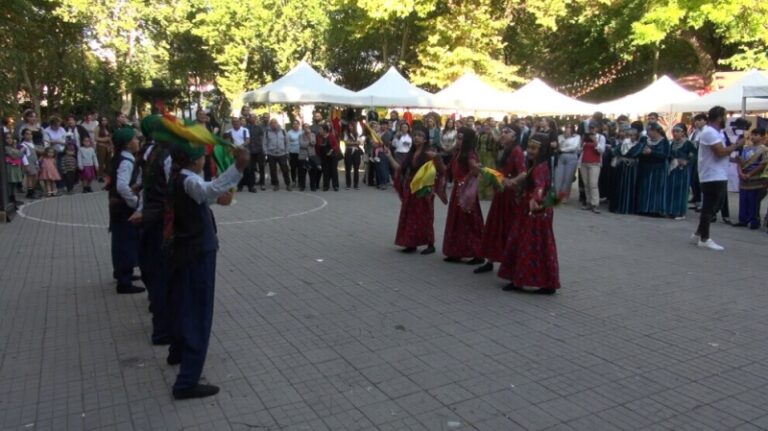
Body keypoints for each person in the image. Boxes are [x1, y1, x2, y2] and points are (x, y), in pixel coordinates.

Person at [165, 136, 249, 400]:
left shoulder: (179, 176)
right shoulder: (188, 179)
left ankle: (178, 352)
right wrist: (238, 167)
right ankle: (187, 381)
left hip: (187, 250)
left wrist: (216, 198)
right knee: (199, 313)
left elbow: (203, 195)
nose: (205, 160)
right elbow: (207, 189)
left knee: (184, 305)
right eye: (203, 156)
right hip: (197, 252)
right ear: (194, 161)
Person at [497, 133, 560, 294]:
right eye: (529, 147)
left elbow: (539, 187)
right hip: (534, 210)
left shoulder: (539, 168)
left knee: (528, 244)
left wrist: (535, 200)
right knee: (534, 244)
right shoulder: (538, 165)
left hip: (534, 212)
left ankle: (522, 280)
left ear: (542, 150)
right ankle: (535, 281)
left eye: (534, 148)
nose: (530, 151)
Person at [383, 129, 445, 254]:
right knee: (410, 216)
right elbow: (399, 168)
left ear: (425, 139)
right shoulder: (411, 154)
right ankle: (411, 243)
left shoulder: (429, 153)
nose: (416, 137)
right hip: (411, 188)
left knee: (425, 215)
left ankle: (430, 244)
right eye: (415, 135)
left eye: (420, 135)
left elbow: (441, 170)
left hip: (424, 189)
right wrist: (389, 156)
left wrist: (437, 158)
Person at [692, 106, 746, 250]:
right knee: (711, 207)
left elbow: (720, 154)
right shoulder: (710, 132)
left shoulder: (717, 133)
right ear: (719, 118)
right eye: (725, 116)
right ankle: (704, 238)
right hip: (712, 175)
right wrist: (736, 145)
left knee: (715, 204)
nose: (726, 119)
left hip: (717, 173)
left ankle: (699, 233)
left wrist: (734, 159)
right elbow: (720, 152)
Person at [474, 128, 526, 274]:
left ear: (514, 136)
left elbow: (523, 172)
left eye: (507, 132)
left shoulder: (517, 151)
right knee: (495, 226)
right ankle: (490, 260)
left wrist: (512, 181)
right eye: (502, 132)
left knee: (508, 228)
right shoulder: (505, 149)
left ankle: (511, 263)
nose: (503, 134)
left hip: (510, 197)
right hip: (501, 194)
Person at [107, 128, 144, 293]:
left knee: (120, 240)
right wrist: (134, 202)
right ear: (128, 144)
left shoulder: (121, 157)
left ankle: (121, 272)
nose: (138, 141)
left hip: (117, 205)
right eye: (135, 139)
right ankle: (124, 280)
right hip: (123, 207)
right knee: (126, 241)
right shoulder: (126, 161)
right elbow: (122, 185)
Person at [443, 127, 484, 264]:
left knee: (470, 222)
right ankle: (456, 251)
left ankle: (477, 254)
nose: (458, 141)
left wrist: (467, 178)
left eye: (461, 138)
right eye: (457, 138)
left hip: (467, 192)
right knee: (457, 222)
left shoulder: (470, 154)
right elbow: (449, 169)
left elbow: (476, 171)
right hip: (458, 190)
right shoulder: (458, 153)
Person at [733, 128, 767, 229]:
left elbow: (762, 165)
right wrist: (740, 172)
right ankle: (743, 220)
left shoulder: (764, 150)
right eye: (752, 134)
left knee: (754, 201)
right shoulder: (746, 148)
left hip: (755, 180)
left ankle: (754, 221)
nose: (753, 137)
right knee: (743, 200)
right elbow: (739, 161)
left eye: (756, 135)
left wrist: (749, 174)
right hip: (744, 179)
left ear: (762, 137)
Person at [636, 122, 670, 216]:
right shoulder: (645, 140)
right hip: (646, 168)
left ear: (656, 131)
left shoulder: (664, 141)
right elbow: (639, 150)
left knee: (656, 189)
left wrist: (652, 152)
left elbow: (665, 154)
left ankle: (655, 210)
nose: (648, 133)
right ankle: (644, 208)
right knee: (645, 187)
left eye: (649, 131)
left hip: (658, 169)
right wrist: (642, 153)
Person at [610, 126, 644, 214]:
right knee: (620, 186)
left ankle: (628, 207)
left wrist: (626, 156)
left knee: (630, 187)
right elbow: (615, 152)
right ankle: (618, 207)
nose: (630, 137)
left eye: (633, 135)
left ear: (636, 136)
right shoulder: (622, 144)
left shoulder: (639, 145)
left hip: (632, 169)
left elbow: (634, 153)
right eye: (628, 135)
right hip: (621, 168)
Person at [666, 124, 696, 220]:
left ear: (683, 133)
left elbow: (694, 156)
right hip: (673, 169)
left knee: (681, 190)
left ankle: (680, 212)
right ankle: (671, 210)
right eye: (674, 132)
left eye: (678, 131)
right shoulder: (672, 143)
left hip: (682, 170)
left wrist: (686, 162)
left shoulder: (688, 143)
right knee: (672, 189)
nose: (675, 134)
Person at [579, 126, 605, 213]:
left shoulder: (601, 137)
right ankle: (588, 202)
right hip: (584, 162)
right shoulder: (585, 137)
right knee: (586, 184)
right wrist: (581, 142)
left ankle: (595, 204)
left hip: (595, 163)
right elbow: (579, 150)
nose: (591, 130)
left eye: (593, 128)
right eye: (590, 128)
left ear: (597, 128)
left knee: (593, 184)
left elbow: (602, 150)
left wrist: (595, 142)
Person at [554, 123, 581, 203]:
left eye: (570, 127)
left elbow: (574, 147)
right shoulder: (560, 136)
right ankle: (557, 195)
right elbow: (558, 146)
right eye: (566, 127)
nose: (568, 129)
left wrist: (562, 149)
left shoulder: (577, 137)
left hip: (572, 157)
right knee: (558, 177)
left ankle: (564, 196)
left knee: (568, 178)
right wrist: (565, 139)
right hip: (561, 157)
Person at [264, 118, 291, 191]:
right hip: (271, 154)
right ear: (270, 124)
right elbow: (264, 143)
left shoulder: (283, 131)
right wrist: (266, 152)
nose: (273, 124)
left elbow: (287, 142)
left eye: (275, 122)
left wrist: (287, 152)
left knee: (285, 170)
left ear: (277, 123)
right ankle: (276, 184)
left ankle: (288, 184)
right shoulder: (267, 132)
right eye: (272, 123)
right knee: (273, 170)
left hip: (282, 154)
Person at [688, 114, 707, 212]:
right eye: (695, 120)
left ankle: (701, 203)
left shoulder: (706, 132)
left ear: (705, 121)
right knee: (693, 180)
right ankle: (696, 200)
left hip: (701, 158)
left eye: (699, 120)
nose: (696, 122)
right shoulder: (695, 132)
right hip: (693, 158)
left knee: (698, 180)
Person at [317, 124, 340, 191]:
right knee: (325, 171)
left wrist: (331, 150)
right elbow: (318, 146)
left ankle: (335, 185)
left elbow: (336, 145)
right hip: (324, 156)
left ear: (324, 130)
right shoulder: (319, 136)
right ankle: (326, 185)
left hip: (333, 155)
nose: (319, 130)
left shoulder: (331, 136)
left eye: (320, 129)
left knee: (333, 170)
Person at [298, 123, 320, 191]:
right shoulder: (300, 136)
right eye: (305, 127)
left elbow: (313, 143)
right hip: (302, 156)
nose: (306, 128)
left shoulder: (313, 135)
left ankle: (312, 186)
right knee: (302, 172)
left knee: (312, 172)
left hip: (311, 155)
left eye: (307, 127)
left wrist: (309, 136)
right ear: (303, 128)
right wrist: (309, 143)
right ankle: (302, 186)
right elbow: (302, 145)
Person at [19, 129, 40, 199]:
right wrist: (26, 165)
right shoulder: (23, 145)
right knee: (30, 177)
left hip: (34, 162)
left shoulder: (32, 143)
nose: (29, 135)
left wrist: (37, 163)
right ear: (23, 135)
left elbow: (34, 154)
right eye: (27, 134)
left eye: (30, 134)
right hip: (29, 163)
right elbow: (23, 156)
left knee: (35, 177)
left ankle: (32, 190)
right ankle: (30, 193)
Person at [3, 132, 24, 205]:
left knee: (14, 183)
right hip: (9, 167)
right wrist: (18, 152)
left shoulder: (13, 147)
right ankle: (9, 198)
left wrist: (17, 151)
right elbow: (14, 156)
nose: (9, 140)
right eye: (7, 138)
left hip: (15, 167)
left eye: (11, 138)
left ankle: (13, 198)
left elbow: (21, 155)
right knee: (10, 184)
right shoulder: (5, 148)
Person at [342, 121, 362, 189]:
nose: (350, 127)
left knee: (356, 168)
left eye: (351, 126)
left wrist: (351, 142)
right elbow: (346, 142)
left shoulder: (357, 133)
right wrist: (354, 143)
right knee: (348, 168)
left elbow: (359, 142)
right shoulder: (346, 133)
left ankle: (356, 184)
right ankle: (348, 184)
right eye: (349, 126)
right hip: (348, 151)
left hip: (356, 151)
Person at [95, 116, 112, 182]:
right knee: (101, 161)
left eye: (105, 120)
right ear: (100, 121)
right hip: (101, 146)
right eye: (102, 120)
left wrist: (111, 145)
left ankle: (107, 175)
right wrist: (105, 139)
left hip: (108, 147)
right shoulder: (98, 128)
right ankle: (100, 176)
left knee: (108, 162)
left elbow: (110, 137)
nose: (104, 122)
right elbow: (96, 138)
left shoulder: (108, 128)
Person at [287, 119, 302, 185]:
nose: (295, 125)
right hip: (292, 153)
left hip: (300, 152)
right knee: (293, 167)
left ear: (299, 125)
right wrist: (287, 153)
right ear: (292, 125)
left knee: (300, 168)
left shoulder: (302, 132)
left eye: (296, 124)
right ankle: (293, 180)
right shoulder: (289, 133)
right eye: (294, 124)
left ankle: (300, 181)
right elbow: (287, 143)